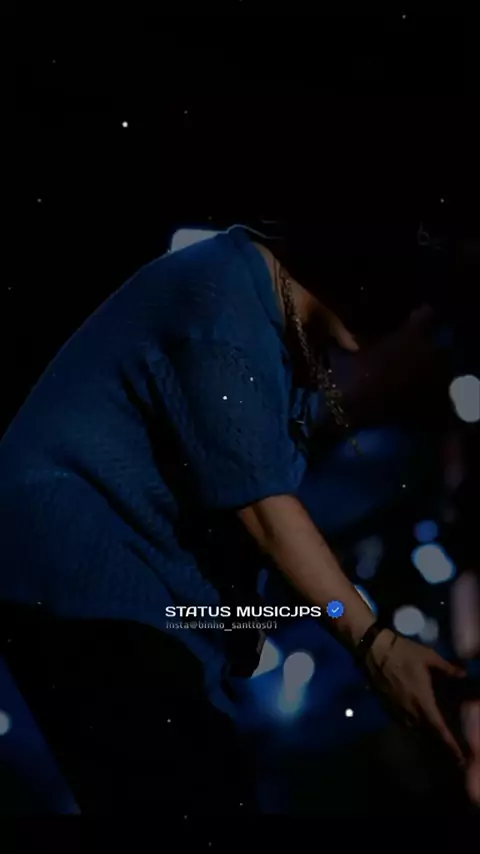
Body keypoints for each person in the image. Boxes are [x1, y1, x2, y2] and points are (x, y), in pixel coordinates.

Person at [0, 222, 467, 814]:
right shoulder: (222, 304)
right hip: (81, 582)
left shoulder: (273, 328)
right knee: (188, 805)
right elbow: (266, 512)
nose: (417, 314)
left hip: (142, 599)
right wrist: (375, 644)